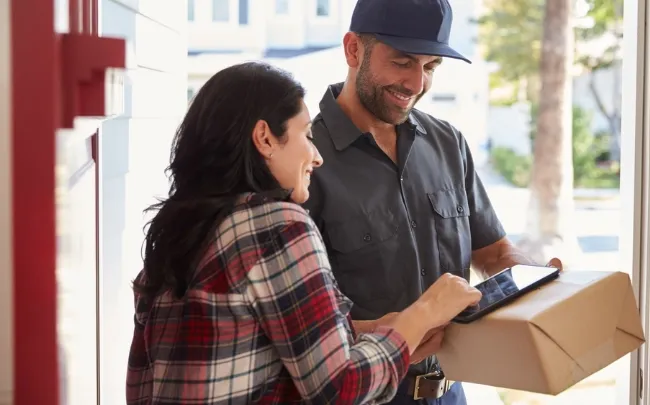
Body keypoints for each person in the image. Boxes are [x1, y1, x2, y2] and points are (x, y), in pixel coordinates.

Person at [125, 61, 483, 405]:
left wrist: (382, 331)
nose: (316, 156)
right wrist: (424, 313)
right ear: (265, 138)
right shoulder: (277, 226)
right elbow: (340, 389)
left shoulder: (179, 230)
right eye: (307, 135)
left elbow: (144, 382)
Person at [303, 0, 563, 403]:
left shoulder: (448, 144)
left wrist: (537, 280)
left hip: (449, 392)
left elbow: (493, 251)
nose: (416, 84)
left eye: (430, 68)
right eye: (403, 62)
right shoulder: (304, 158)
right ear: (353, 50)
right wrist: (398, 330)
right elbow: (298, 321)